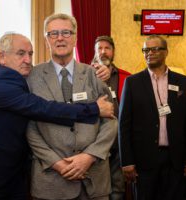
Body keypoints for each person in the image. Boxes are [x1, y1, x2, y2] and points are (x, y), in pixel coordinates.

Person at [0, 32, 115, 200]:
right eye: (21, 53)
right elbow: (44, 109)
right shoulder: (1, 83)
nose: (28, 59)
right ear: (2, 57)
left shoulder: (12, 76)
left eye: (30, 54)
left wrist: (104, 72)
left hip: (9, 173)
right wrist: (94, 109)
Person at [26, 13, 117, 200]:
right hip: (50, 181)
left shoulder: (94, 74)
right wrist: (57, 163)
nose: (60, 38)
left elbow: (110, 121)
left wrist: (89, 156)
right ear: (46, 40)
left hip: (94, 180)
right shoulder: (32, 77)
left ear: (75, 37)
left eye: (66, 32)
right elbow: (29, 126)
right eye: (53, 34)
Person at [119, 35, 186, 200]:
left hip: (176, 161)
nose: (149, 53)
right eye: (145, 50)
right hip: (144, 162)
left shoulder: (183, 82)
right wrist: (127, 162)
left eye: (154, 49)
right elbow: (124, 126)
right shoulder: (132, 82)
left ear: (166, 52)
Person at [92, 36, 131, 200]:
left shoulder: (126, 77)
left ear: (113, 52)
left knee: (117, 189)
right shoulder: (84, 76)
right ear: (94, 52)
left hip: (118, 143)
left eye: (107, 48)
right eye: (99, 48)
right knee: (96, 190)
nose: (103, 52)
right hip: (94, 143)